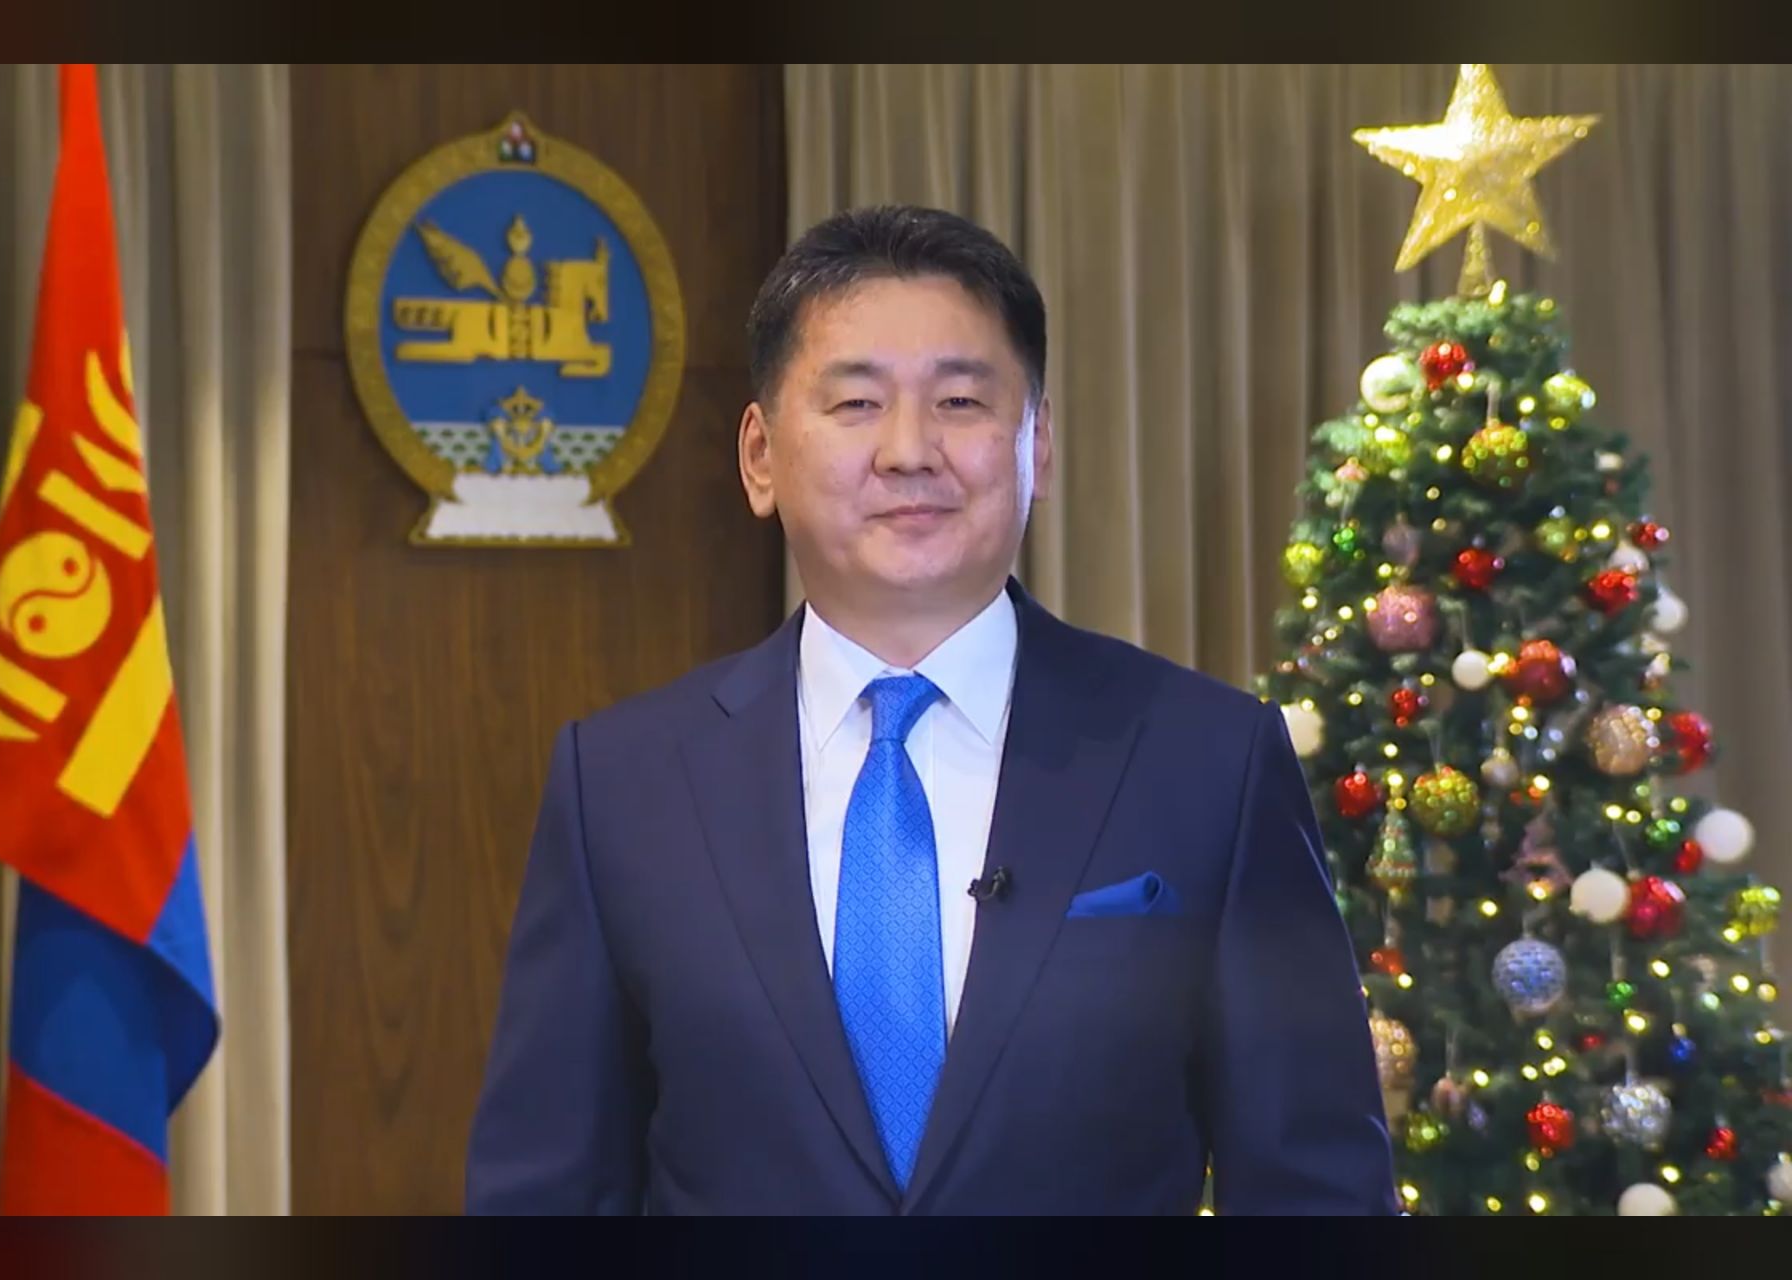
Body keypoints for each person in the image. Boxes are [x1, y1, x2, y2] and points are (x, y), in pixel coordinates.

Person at [464, 204, 1399, 1215]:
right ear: (759, 456)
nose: (909, 450)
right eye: (856, 402)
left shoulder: (1210, 761)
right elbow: (547, 1196)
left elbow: (1318, 1193)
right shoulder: (622, 784)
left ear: (1038, 443)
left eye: (960, 400)